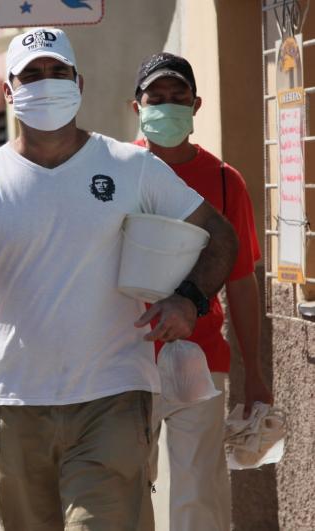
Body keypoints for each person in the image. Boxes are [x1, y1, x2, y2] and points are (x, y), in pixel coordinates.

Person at [0, 28, 238, 531]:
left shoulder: (131, 166)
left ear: (79, 82)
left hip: (112, 397)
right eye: (31, 74)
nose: (46, 83)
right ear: (9, 90)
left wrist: (188, 300)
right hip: (17, 401)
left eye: (57, 72)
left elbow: (220, 236)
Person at [132, 52, 273, 531]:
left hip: (203, 357)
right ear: (137, 107)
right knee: (127, 487)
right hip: (124, 358)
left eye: (178, 98)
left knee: (199, 494)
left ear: (197, 105)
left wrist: (253, 371)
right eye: (157, 98)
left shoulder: (224, 181)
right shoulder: (114, 176)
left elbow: (241, 282)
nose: (167, 107)